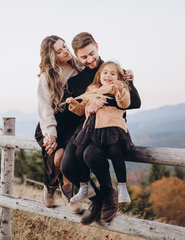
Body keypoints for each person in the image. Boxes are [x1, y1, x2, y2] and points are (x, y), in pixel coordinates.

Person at [60, 32, 141, 225]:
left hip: (109, 128)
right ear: (76, 56)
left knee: (90, 155)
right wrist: (50, 136)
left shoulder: (112, 71)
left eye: (92, 53)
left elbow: (135, 102)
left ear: (97, 46)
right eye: (84, 57)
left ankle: (109, 198)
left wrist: (103, 101)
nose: (89, 60)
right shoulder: (76, 81)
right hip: (86, 128)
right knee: (68, 165)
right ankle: (97, 199)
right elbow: (72, 112)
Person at [65, 61, 132, 206]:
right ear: (99, 76)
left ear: (118, 77)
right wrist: (74, 105)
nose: (108, 76)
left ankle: (122, 187)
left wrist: (120, 90)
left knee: (115, 151)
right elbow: (83, 109)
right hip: (91, 128)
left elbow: (125, 103)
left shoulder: (118, 88)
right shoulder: (92, 89)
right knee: (79, 152)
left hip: (112, 125)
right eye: (105, 73)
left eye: (113, 74)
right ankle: (85, 186)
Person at [35, 35, 83, 214]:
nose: (65, 51)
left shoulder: (79, 68)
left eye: (65, 46)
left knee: (67, 156)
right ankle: (51, 185)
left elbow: (102, 71)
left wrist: (126, 72)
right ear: (52, 56)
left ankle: (68, 192)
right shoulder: (47, 77)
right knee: (56, 156)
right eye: (59, 51)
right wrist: (51, 134)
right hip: (52, 125)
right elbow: (45, 108)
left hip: (73, 124)